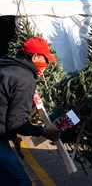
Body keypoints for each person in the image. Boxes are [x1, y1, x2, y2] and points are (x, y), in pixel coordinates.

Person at [0, 37, 60, 186]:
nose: (46, 66)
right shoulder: (24, 79)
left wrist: (11, 136)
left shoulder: (5, 64)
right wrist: (43, 131)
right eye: (45, 60)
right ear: (35, 57)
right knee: (20, 181)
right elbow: (16, 123)